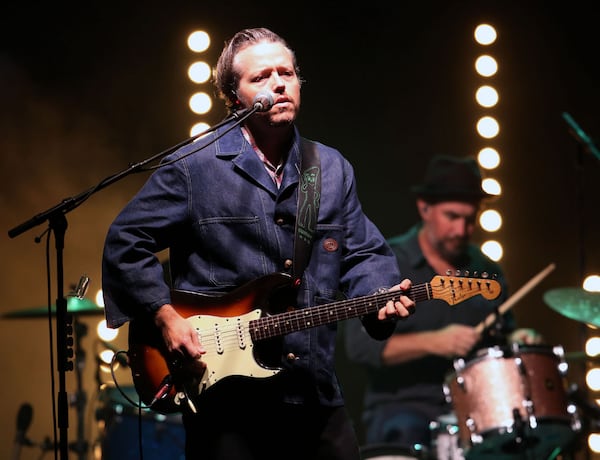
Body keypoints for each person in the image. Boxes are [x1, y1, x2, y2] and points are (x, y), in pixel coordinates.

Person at [101, 27, 416, 460]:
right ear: (233, 97)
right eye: (261, 77)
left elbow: (362, 252)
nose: (279, 83)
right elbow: (126, 242)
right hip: (228, 404)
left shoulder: (330, 169)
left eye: (286, 72)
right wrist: (165, 316)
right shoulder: (195, 166)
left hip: (313, 389)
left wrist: (379, 296)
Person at [344, 154, 542, 456]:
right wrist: (434, 342)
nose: (462, 230)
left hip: (479, 409)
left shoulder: (486, 269)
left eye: (470, 219)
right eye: (452, 217)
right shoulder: (386, 263)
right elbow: (359, 347)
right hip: (402, 406)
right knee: (404, 431)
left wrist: (517, 341)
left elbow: (502, 336)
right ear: (424, 208)